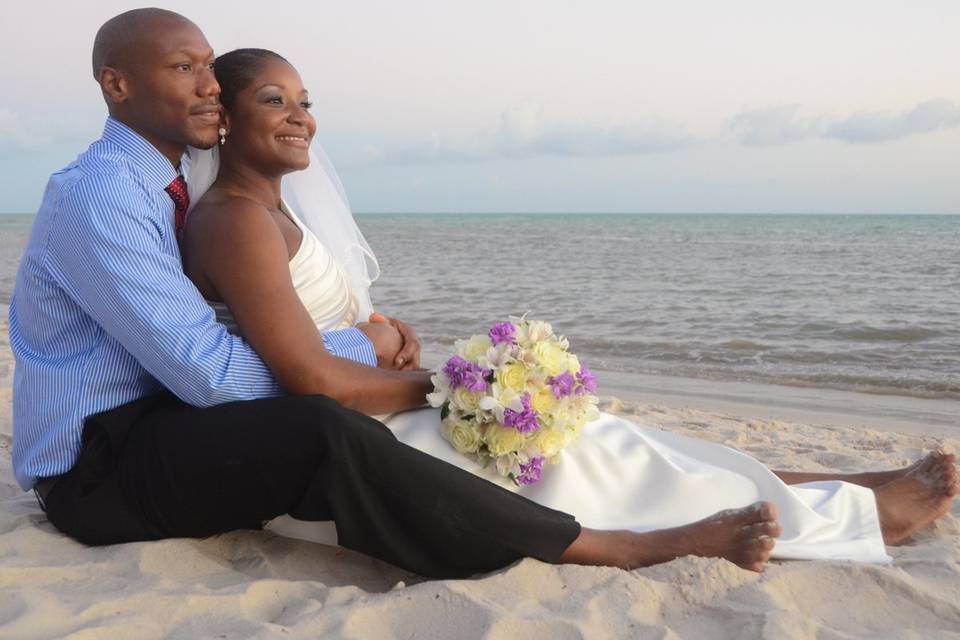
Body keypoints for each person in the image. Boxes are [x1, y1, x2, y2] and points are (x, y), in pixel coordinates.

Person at [10, 7, 816, 579]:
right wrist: (365, 352)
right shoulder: (104, 193)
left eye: (207, 69)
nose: (207, 87)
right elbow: (213, 374)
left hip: (156, 425)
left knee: (337, 418)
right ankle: (611, 547)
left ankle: (714, 486)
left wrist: (370, 361)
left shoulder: (169, 186)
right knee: (321, 428)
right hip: (95, 468)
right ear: (116, 85)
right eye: (181, 69)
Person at [177, 41, 957, 567]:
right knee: (593, 456)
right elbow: (310, 379)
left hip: (369, 410)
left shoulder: (273, 212)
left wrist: (379, 331)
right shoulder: (238, 218)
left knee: (609, 432)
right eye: (274, 99)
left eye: (305, 101)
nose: (300, 115)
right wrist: (461, 388)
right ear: (224, 119)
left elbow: (314, 326)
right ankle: (852, 518)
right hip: (348, 444)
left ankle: (841, 485)